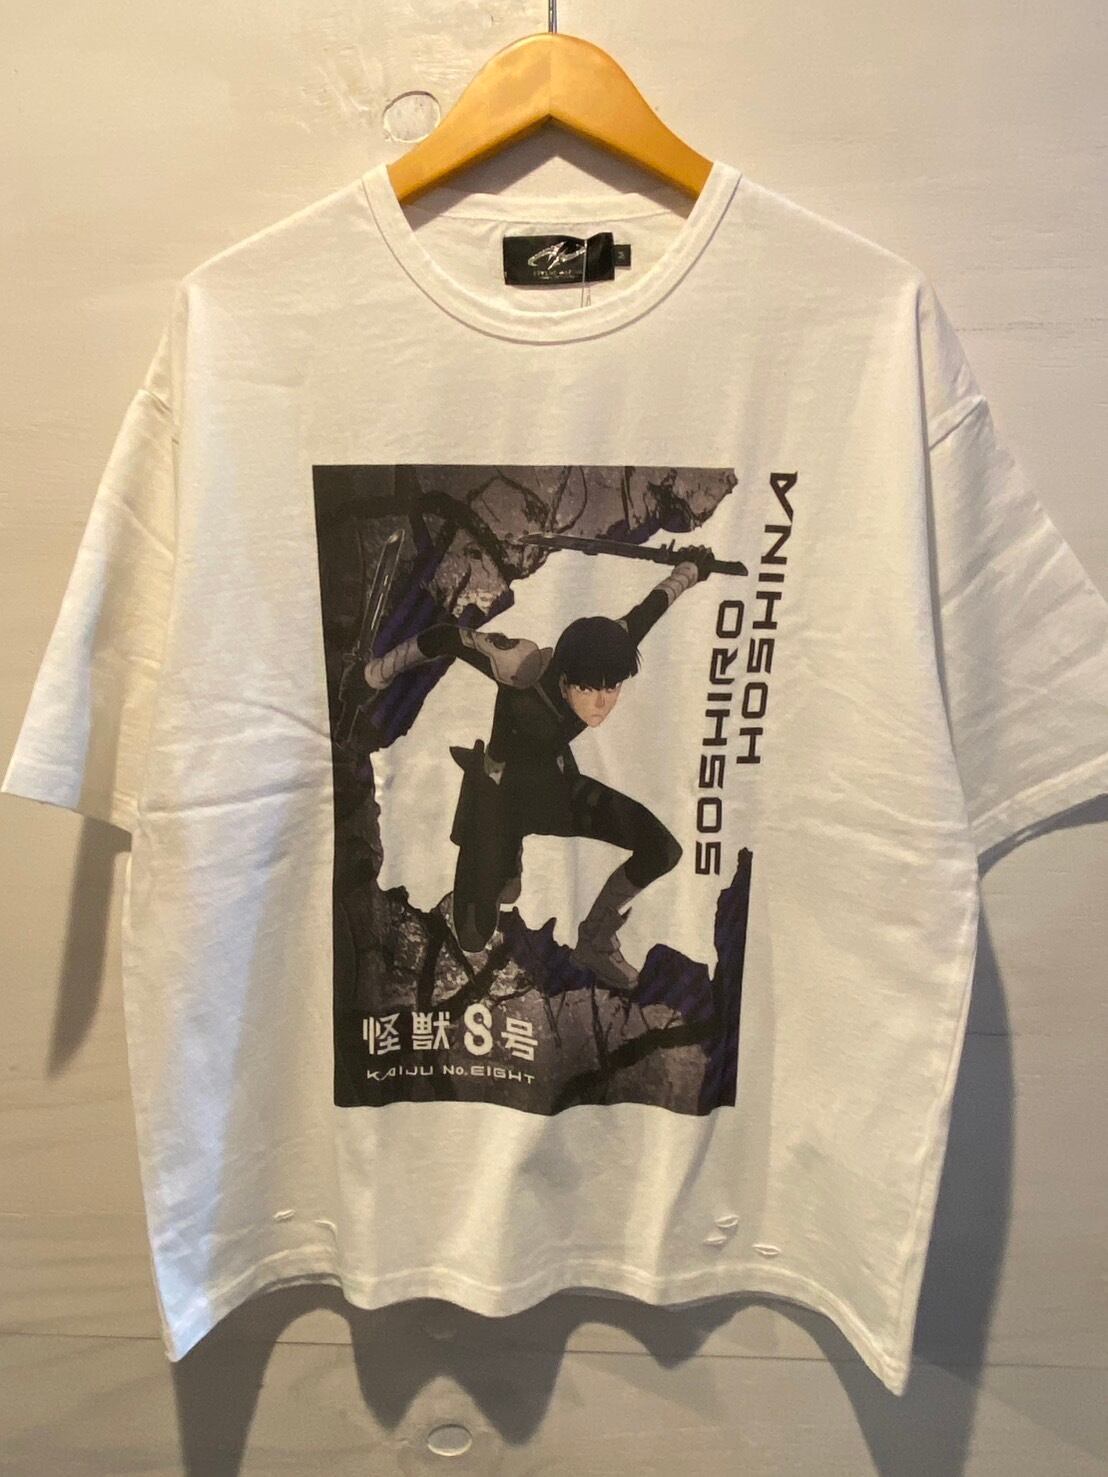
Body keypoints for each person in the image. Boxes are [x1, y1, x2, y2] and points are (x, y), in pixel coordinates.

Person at [365, 544, 716, 992]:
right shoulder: (519, 668)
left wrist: (691, 568)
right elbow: (447, 638)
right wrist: (380, 671)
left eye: (612, 689)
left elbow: (655, 603)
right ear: (564, 679)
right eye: (589, 690)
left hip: (556, 790)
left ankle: (595, 940)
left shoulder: (612, 645)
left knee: (662, 849)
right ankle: (498, 848)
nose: (602, 704)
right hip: (499, 796)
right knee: (473, 934)